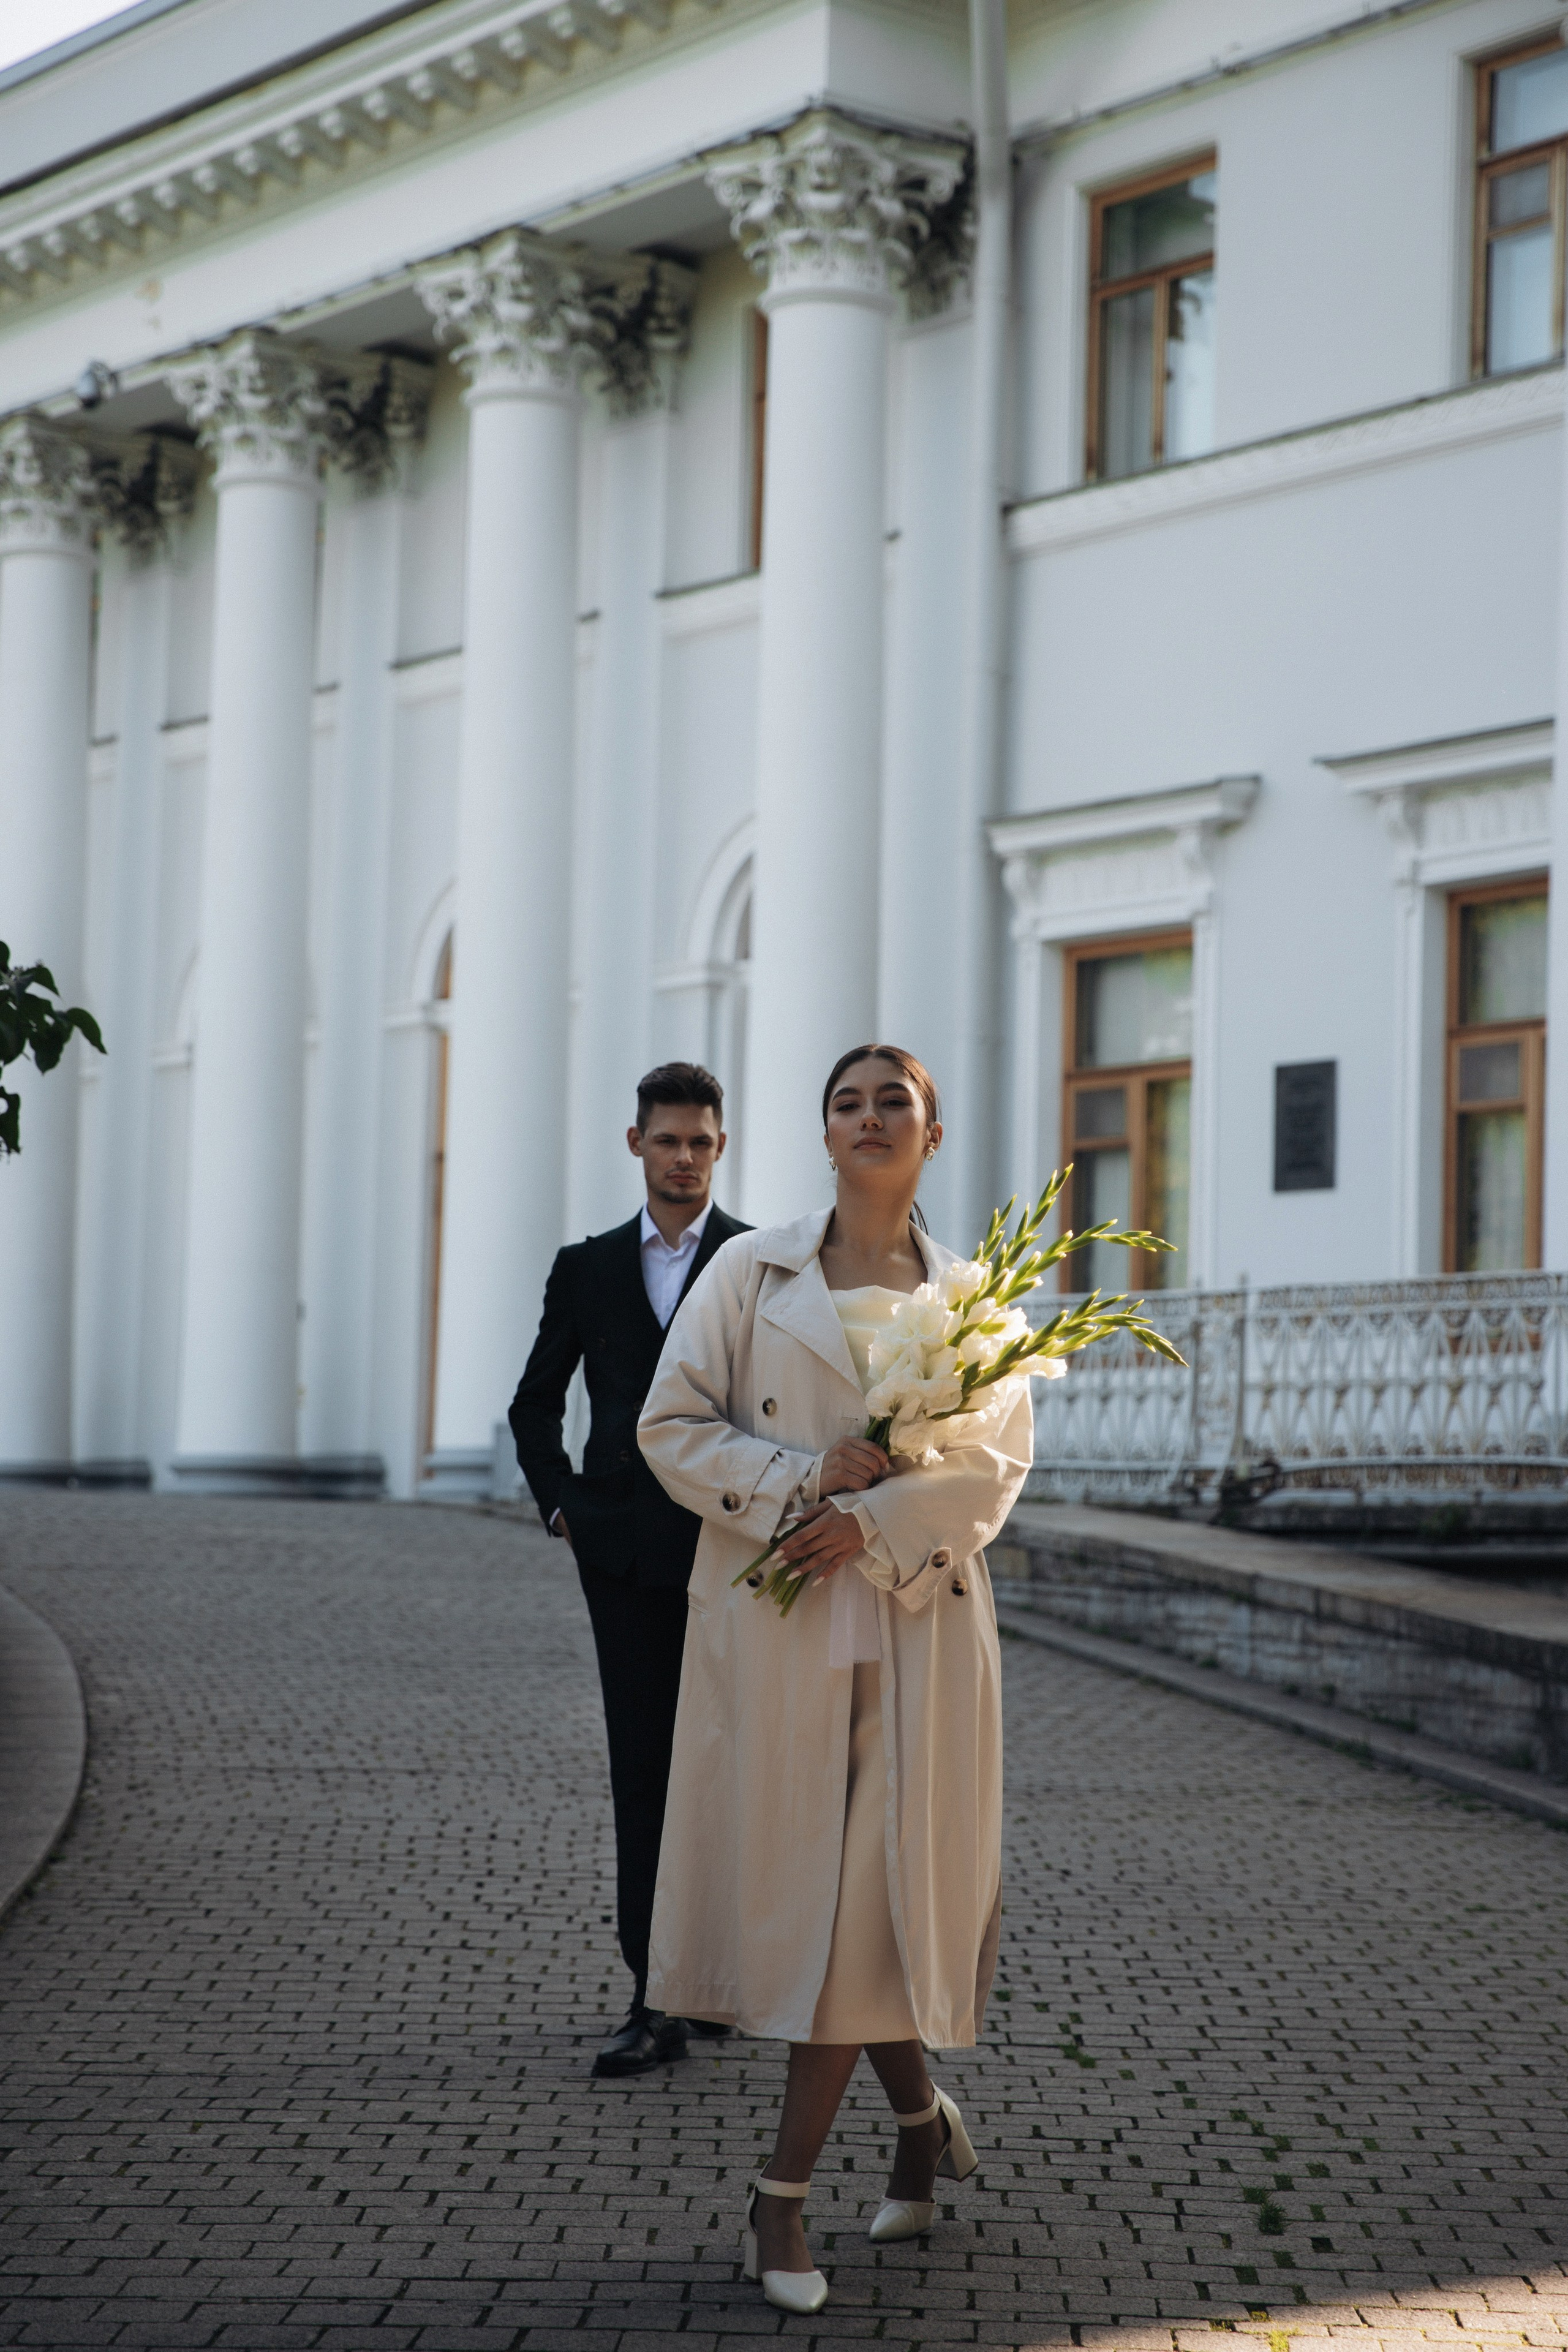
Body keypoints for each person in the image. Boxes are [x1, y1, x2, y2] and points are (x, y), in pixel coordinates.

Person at [636, 1044, 1033, 2313]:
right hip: (787, 1623)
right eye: (847, 1103)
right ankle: (919, 2127)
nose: (869, 1119)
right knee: (832, 1910)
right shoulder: (748, 1272)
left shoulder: (977, 1295)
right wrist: (799, 1485)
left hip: (917, 1628)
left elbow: (994, 1469)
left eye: (893, 1103)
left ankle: (779, 2201)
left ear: (931, 1129)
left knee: (863, 1907)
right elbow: (671, 1425)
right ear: (821, 1135)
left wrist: (876, 1519)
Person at [509, 1062, 750, 2078]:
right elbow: (534, 1405)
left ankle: (716, 1982)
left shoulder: (756, 1262)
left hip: (732, 1553)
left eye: (700, 1142)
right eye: (668, 1141)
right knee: (645, 1767)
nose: (684, 1158)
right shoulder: (587, 1266)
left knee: (726, 1768)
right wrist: (565, 1505)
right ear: (636, 1144)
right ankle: (652, 1995)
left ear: (719, 1149)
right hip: (620, 1555)